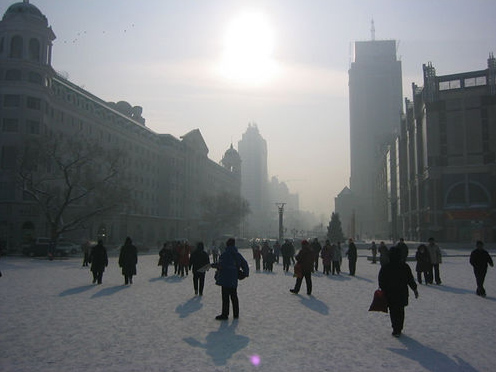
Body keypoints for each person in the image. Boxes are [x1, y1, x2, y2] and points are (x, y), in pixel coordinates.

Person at [379, 246, 419, 337]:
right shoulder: (404, 266)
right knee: (400, 311)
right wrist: (415, 289)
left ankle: (395, 328)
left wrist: (383, 289)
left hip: (390, 293)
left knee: (393, 311)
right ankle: (399, 328)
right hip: (402, 293)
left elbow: (381, 280)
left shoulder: (386, 267)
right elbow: (410, 279)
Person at [212, 238, 249, 320]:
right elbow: (245, 264)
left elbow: (220, 265)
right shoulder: (237, 255)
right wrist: (245, 273)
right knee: (234, 296)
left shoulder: (224, 255)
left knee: (225, 298)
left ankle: (225, 314)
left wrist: (213, 266)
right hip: (233, 279)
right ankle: (236, 314)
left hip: (224, 278)